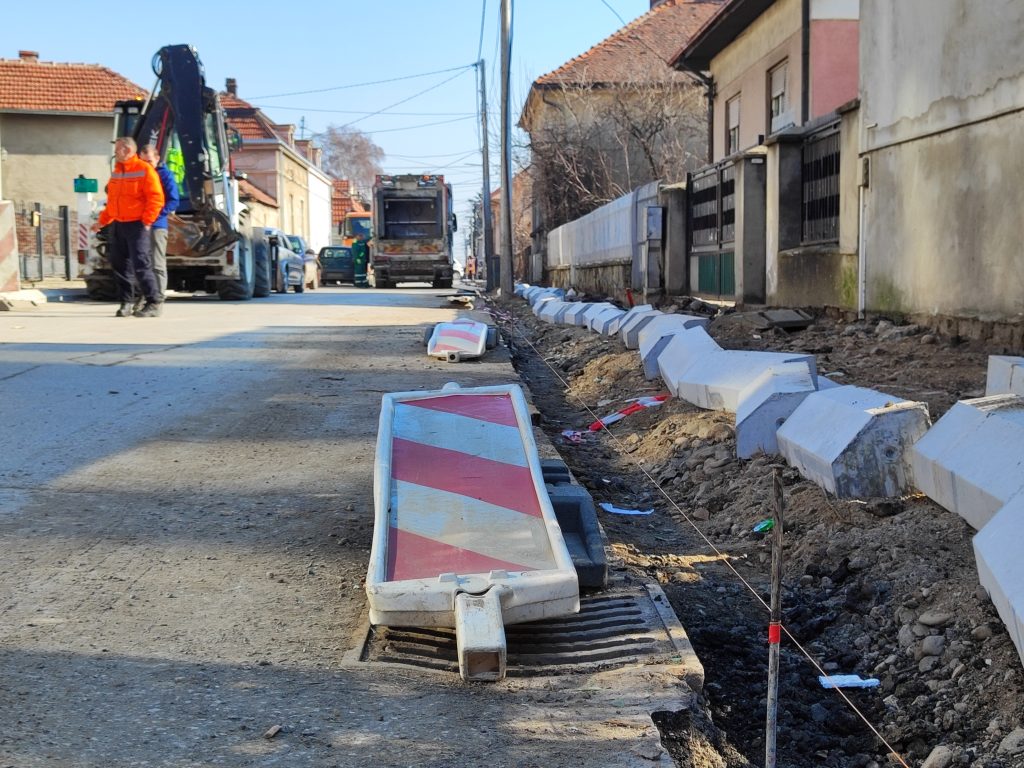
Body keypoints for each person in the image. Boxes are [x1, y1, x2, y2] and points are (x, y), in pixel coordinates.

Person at [91, 137, 165, 317]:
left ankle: (153, 302)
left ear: (127, 150)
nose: (115, 153)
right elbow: (112, 203)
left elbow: (156, 198)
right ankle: (126, 302)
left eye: (117, 149)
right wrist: (102, 222)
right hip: (118, 224)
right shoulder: (117, 172)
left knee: (141, 264)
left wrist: (147, 221)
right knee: (119, 264)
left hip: (137, 224)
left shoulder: (145, 170)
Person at [139, 144, 180, 304]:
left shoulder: (165, 175)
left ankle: (158, 297)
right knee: (142, 263)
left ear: (157, 159)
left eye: (149, 161)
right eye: (143, 161)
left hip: (157, 226)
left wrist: (157, 215)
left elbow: (173, 200)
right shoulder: (139, 175)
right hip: (140, 225)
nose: (147, 164)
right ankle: (146, 295)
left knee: (157, 263)